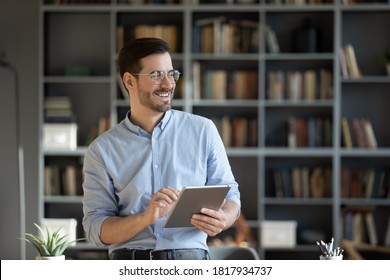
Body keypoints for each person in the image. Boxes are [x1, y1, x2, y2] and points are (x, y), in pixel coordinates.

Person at [82, 37, 241, 260]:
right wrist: (145, 217)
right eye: (156, 75)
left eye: (171, 74)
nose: (168, 84)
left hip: (190, 261)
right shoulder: (102, 149)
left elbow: (231, 195)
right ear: (129, 81)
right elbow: (95, 228)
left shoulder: (203, 130)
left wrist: (224, 217)